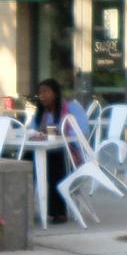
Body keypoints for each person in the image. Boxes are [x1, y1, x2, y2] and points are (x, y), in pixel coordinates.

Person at [27, 78, 80, 219]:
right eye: (40, 93)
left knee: (55, 159)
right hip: (43, 151)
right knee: (23, 161)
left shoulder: (71, 108)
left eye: (46, 92)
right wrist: (37, 134)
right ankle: (22, 208)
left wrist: (59, 133)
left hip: (70, 153)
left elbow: (81, 132)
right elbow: (31, 130)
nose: (42, 96)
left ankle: (58, 211)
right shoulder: (40, 114)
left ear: (55, 93)